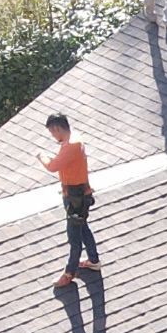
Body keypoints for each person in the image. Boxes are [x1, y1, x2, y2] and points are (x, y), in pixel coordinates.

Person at [43, 113, 98, 288]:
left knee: (74, 237)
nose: (53, 136)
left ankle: (69, 273)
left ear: (57, 129)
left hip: (75, 197)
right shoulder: (75, 139)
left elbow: (52, 166)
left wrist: (40, 156)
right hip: (80, 193)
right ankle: (93, 260)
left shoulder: (70, 146)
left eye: (53, 133)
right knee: (82, 228)